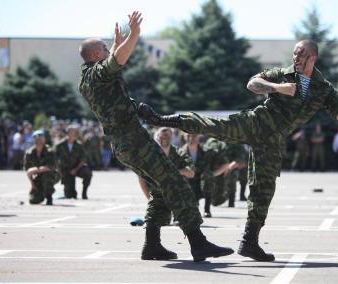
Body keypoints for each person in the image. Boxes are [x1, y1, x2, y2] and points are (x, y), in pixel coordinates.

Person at [139, 39, 338, 261]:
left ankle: (249, 242)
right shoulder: (282, 74)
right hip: (255, 123)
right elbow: (253, 83)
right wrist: (277, 88)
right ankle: (163, 120)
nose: (296, 57)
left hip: (273, 140)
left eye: (301, 54)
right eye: (294, 53)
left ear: (313, 58)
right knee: (215, 126)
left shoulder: (323, 88)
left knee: (264, 188)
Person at [78, 11, 233, 262]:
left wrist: (118, 43)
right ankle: (198, 242)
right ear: (95, 55)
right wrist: (134, 34)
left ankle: (152, 245)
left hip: (125, 142)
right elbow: (116, 62)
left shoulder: (89, 79)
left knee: (160, 188)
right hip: (133, 140)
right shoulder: (97, 74)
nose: (108, 50)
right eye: (104, 48)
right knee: (174, 181)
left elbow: (113, 74)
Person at [138, 127, 195, 232]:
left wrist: (172, 172)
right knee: (157, 222)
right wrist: (149, 198)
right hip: (156, 192)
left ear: (172, 137)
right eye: (162, 135)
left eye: (167, 136)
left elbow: (191, 173)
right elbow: (141, 176)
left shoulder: (179, 153)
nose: (164, 138)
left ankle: (177, 214)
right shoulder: (150, 153)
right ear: (157, 136)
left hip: (175, 191)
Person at [55, 125, 93, 199]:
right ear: (68, 133)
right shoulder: (60, 145)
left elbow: (83, 159)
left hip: (77, 168)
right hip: (65, 170)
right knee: (70, 195)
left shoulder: (79, 145)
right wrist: (59, 171)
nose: (74, 134)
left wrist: (76, 169)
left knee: (88, 173)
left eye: (75, 132)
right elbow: (54, 158)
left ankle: (84, 192)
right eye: (72, 132)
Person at [24, 130, 60, 205]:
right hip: (38, 177)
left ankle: (49, 196)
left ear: (44, 139)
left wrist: (35, 170)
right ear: (33, 140)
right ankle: (42, 193)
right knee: (34, 200)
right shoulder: (29, 153)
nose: (38, 140)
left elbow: (51, 167)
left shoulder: (50, 151)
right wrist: (33, 185)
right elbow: (28, 171)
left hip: (52, 175)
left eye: (40, 138)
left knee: (46, 174)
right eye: (36, 139)